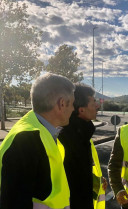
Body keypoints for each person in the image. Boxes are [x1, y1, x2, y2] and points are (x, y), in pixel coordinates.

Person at [0, 73, 75, 209]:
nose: (73, 109)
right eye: (72, 104)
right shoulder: (26, 140)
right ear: (62, 103)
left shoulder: (39, 133)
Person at [58, 83, 107, 209]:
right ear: (81, 110)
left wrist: (94, 181)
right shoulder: (65, 137)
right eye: (93, 102)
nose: (98, 105)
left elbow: (76, 172)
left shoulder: (82, 132)